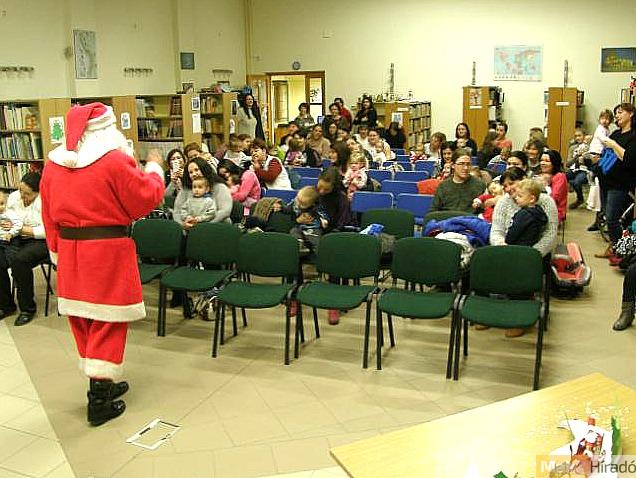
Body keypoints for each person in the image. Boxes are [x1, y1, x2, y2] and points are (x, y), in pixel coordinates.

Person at [40, 102, 165, 425]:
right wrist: (154, 168)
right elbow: (144, 200)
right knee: (109, 320)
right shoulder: (114, 160)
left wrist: (56, 252)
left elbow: (48, 215)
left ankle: (102, 382)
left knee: (83, 318)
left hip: (70, 252)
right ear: (106, 129)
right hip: (107, 252)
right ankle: (98, 400)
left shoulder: (52, 165)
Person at [489, 167, 558, 338]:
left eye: (512, 183)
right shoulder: (503, 202)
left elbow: (550, 236)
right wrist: (501, 245)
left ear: (524, 181)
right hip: (507, 249)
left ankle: (521, 316)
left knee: (520, 268)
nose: (508, 189)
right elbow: (496, 230)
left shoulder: (546, 202)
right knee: (484, 261)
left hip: (535, 254)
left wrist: (530, 256)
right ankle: (492, 309)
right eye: (505, 186)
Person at [0, 173, 48, 327]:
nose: (21, 196)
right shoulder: (15, 197)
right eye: (20, 190)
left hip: (40, 241)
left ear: (38, 192)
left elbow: (46, 231)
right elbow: (6, 217)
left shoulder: (45, 202)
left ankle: (27, 309)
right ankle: (6, 305)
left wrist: (19, 228)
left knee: (20, 260)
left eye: (27, 193)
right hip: (16, 237)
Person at [594, 103, 636, 259]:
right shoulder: (616, 133)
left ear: (631, 114)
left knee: (612, 218)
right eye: (616, 113)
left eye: (620, 112)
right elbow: (607, 154)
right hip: (606, 181)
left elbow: (628, 158)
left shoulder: (633, 136)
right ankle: (615, 247)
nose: (617, 116)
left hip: (620, 184)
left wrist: (613, 145)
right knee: (607, 215)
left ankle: (620, 250)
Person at [316, 167, 355, 325]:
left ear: (333, 187)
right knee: (296, 244)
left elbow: (342, 224)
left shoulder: (341, 199)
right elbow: (303, 209)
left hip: (338, 234)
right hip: (318, 232)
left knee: (334, 252)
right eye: (320, 187)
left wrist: (327, 234)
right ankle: (294, 295)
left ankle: (334, 303)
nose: (321, 191)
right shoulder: (315, 193)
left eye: (326, 189)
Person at [174, 157, 233, 227]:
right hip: (189, 227)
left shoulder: (219, 187)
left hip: (217, 226)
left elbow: (225, 211)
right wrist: (183, 224)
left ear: (204, 169)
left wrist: (201, 226)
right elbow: (177, 212)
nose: (194, 174)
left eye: (196, 170)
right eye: (191, 172)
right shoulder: (185, 189)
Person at [430, 149, 486, 213]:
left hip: (470, 218)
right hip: (447, 218)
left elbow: (485, 211)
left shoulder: (479, 185)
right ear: (453, 165)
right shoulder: (443, 186)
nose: (465, 168)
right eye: (461, 164)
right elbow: (433, 211)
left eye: (468, 164)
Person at [275, 186, 327, 252]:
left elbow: (322, 213)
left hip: (312, 227)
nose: (299, 204)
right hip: (298, 226)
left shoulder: (316, 207)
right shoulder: (295, 203)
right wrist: (281, 207)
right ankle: (300, 247)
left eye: (303, 204)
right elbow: (287, 209)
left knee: (315, 239)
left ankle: (317, 251)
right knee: (293, 232)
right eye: (298, 200)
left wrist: (323, 220)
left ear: (312, 204)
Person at [504, 179, 548, 246]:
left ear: (532, 199)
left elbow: (514, 232)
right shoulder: (539, 212)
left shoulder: (523, 214)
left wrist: (506, 242)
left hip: (518, 247)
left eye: (520, 196)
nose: (516, 198)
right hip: (530, 247)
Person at [539, 150, 568, 223]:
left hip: (554, 211)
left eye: (547, 161)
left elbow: (554, 198)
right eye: (541, 160)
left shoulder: (560, 177)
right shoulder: (539, 175)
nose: (542, 163)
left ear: (554, 163)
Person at [566, 129, 591, 210]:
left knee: (577, 182)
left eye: (579, 136)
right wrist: (575, 157)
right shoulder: (572, 148)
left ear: (584, 136)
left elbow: (592, 162)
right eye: (576, 136)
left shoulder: (590, 147)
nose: (577, 138)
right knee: (562, 177)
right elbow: (568, 164)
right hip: (574, 169)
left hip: (585, 170)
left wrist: (584, 158)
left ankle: (580, 199)